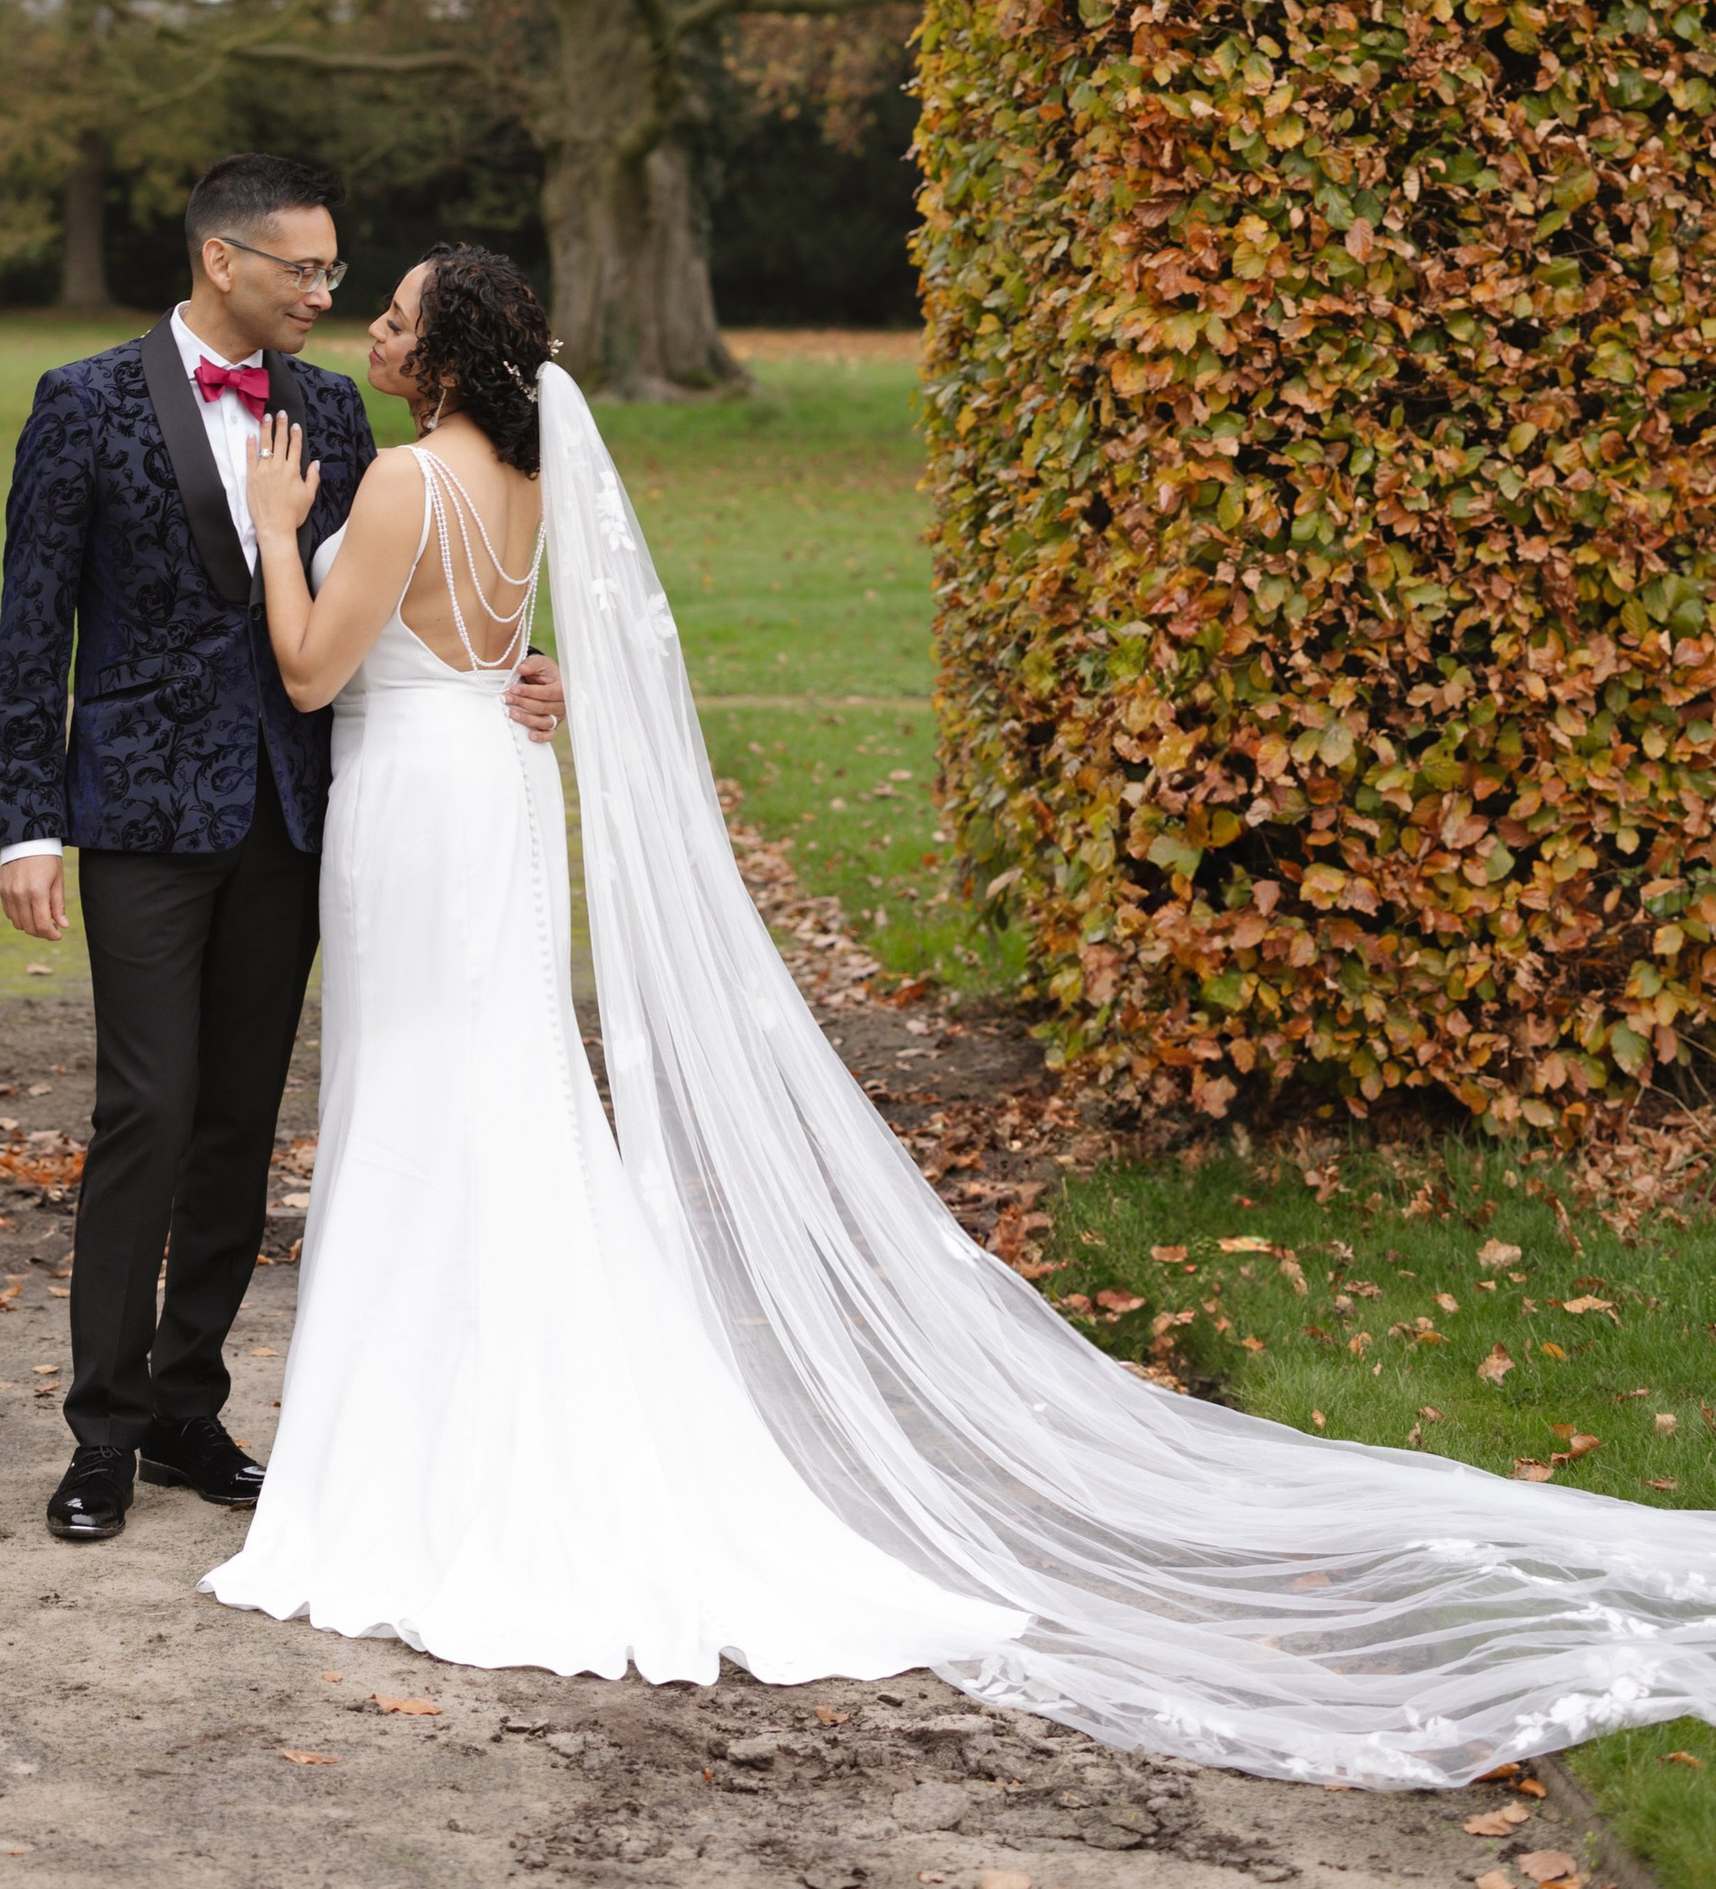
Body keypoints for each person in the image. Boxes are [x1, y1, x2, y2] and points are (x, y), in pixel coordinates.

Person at [207, 250, 1716, 1781]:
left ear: (445, 356)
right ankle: (512, 1414)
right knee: (505, 1094)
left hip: (418, 808)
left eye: (396, 316)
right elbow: (504, 656)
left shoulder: (399, 482)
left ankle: (419, 1456)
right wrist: (521, 681)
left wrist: (278, 531)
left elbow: (319, 669)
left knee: (427, 1098)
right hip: (503, 797)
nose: (376, 333)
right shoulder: (530, 478)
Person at [0, 158, 564, 1546]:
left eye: (335, 270)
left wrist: (516, 671)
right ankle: (103, 1434)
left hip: (300, 818)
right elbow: (31, 628)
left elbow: (398, 596)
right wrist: (27, 820)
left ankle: (191, 1404)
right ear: (220, 262)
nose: (326, 292)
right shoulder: (81, 402)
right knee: (149, 1110)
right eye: (304, 270)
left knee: (242, 1122)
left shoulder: (333, 411)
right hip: (135, 816)